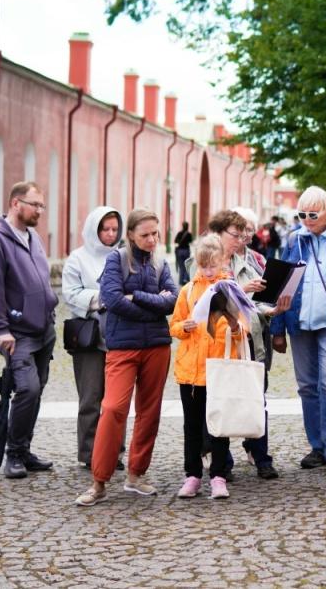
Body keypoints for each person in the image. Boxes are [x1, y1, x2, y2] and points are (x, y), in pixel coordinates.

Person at [75, 207, 178, 506]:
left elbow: (172, 300)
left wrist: (141, 299)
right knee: (113, 408)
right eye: (145, 234)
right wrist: (152, 306)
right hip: (123, 347)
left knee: (150, 412)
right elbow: (112, 299)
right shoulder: (116, 259)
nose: (152, 240)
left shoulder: (161, 263)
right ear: (130, 234)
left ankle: (136, 474)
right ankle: (99, 480)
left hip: (158, 347)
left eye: (156, 234)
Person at [0, 181, 59, 479]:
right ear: (15, 203)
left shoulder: (33, 236)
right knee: (27, 388)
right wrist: (0, 329)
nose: (40, 211)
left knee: (37, 392)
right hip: (17, 332)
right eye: (35, 205)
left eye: (41, 206)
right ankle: (13, 453)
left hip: (43, 329)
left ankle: (24, 450)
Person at [270, 187, 326, 471]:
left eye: (312, 214)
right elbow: (281, 284)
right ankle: (317, 447)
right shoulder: (294, 239)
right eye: (301, 214)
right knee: (307, 387)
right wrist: (277, 329)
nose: (306, 219)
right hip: (299, 322)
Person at [209, 208, 290, 480]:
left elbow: (258, 302)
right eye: (237, 233)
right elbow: (208, 301)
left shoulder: (255, 259)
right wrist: (244, 290)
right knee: (222, 398)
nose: (243, 238)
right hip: (220, 341)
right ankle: (222, 462)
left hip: (252, 338)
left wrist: (273, 310)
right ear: (219, 233)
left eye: (246, 233)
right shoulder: (208, 259)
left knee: (257, 397)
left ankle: (261, 456)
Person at [170, 234, 247, 500]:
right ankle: (192, 475)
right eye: (203, 266)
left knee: (218, 427)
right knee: (191, 427)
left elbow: (243, 329)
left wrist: (236, 326)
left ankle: (218, 476)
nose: (208, 270)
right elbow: (175, 325)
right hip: (190, 371)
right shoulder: (188, 290)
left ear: (221, 262)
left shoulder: (230, 289)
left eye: (212, 265)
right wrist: (184, 326)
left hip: (219, 369)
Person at [61, 205, 124, 470]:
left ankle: (114, 451)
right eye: (105, 229)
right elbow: (71, 293)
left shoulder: (122, 256)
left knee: (116, 399)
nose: (110, 234)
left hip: (120, 335)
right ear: (94, 229)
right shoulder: (77, 258)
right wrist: (102, 298)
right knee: (90, 397)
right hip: (90, 336)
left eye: (114, 229)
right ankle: (88, 452)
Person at [174, 222, 193, 286]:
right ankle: (186, 279)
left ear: (182, 226)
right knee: (187, 265)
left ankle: (181, 280)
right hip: (186, 251)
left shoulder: (179, 233)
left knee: (181, 266)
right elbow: (191, 241)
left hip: (179, 251)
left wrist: (180, 241)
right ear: (187, 226)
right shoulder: (189, 234)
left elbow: (175, 241)